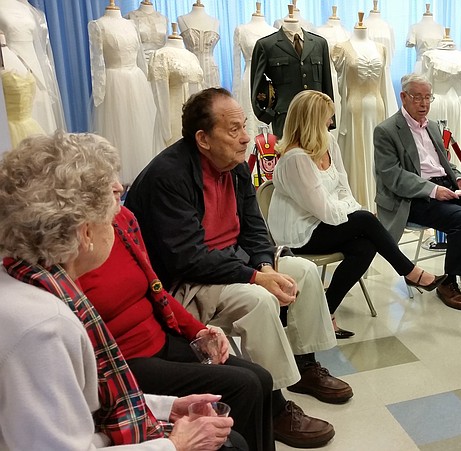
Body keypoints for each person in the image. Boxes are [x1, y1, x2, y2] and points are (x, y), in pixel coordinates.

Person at [124, 88, 347, 448]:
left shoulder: (235, 166)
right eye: (232, 129)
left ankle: (305, 365)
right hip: (189, 280)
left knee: (301, 270)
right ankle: (273, 405)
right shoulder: (169, 176)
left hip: (234, 262)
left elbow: (254, 226)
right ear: (202, 138)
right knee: (257, 300)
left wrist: (263, 263)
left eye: (243, 126)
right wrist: (256, 276)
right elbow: (187, 257)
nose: (245, 136)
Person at [0, 132, 236, 450]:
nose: (116, 220)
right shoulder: (46, 324)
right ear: (86, 234)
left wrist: (166, 407)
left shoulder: (24, 280)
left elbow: (77, 409)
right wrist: (176, 445)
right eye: (107, 219)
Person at [78, 205, 278, 451]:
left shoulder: (122, 219)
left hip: (161, 339)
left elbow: (156, 289)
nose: (119, 185)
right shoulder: (70, 246)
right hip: (124, 362)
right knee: (243, 385)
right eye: (107, 180)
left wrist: (200, 331)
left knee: (262, 378)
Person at [269, 90, 446, 338]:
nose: (332, 123)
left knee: (365, 245)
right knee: (364, 221)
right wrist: (358, 216)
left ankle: (325, 312)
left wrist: (356, 213)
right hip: (300, 232)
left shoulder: (327, 142)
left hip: (324, 222)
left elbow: (343, 188)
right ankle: (410, 272)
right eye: (327, 119)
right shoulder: (295, 158)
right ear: (311, 122)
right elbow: (323, 209)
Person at [374, 73, 461, 311]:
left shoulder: (433, 127)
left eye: (428, 98)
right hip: (412, 197)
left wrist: (459, 179)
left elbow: (446, 163)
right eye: (417, 98)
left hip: (444, 187)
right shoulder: (386, 131)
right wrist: (433, 190)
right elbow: (393, 176)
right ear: (403, 97)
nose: (424, 104)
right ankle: (449, 282)